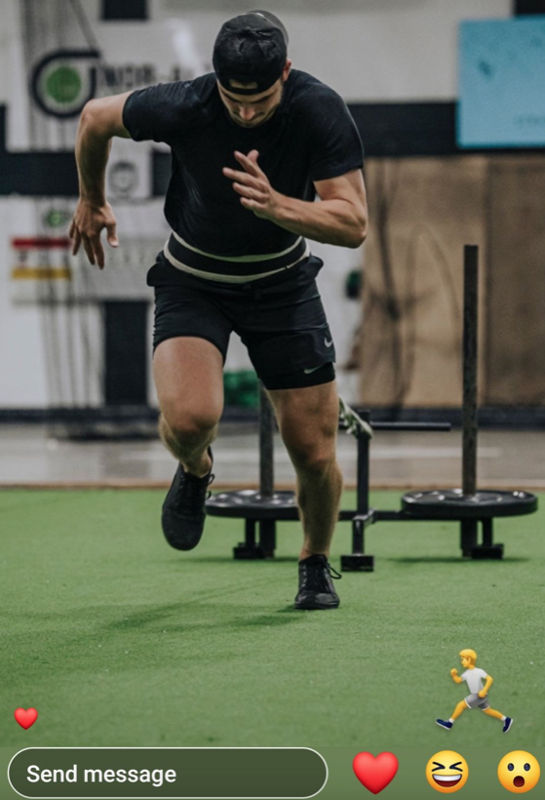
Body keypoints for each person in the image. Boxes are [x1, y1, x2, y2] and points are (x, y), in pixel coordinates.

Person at [69, 10, 368, 610]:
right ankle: (197, 470)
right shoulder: (186, 104)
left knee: (313, 452)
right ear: (216, 79)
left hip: (282, 284)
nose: (248, 112)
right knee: (188, 421)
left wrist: (279, 206)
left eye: (261, 100)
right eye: (236, 100)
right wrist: (92, 198)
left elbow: (353, 222)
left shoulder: (318, 109)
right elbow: (95, 117)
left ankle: (313, 562)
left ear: (286, 72)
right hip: (193, 280)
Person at [436, 649, 513, 732]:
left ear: (469, 659)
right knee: (488, 710)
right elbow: (458, 680)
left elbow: (490, 679)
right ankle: (506, 719)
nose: (461, 662)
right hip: (480, 696)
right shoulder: (467, 673)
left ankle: (449, 723)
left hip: (478, 695)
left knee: (460, 705)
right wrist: (454, 675)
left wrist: (484, 690)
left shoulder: (478, 671)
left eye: (462, 659)